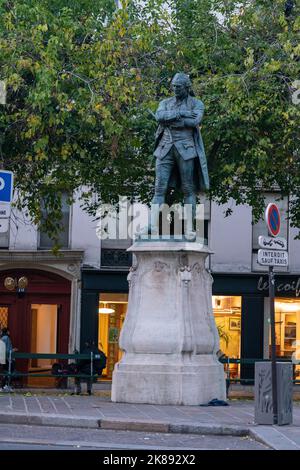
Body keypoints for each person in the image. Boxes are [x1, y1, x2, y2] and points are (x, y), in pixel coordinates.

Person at [142, 72, 209, 239]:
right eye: (173, 86)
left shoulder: (197, 103)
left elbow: (194, 122)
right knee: (159, 188)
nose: (175, 89)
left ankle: (189, 228)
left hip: (186, 150)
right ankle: (152, 226)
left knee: (188, 188)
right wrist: (182, 114)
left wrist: (171, 119)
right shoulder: (165, 102)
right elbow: (159, 117)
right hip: (165, 149)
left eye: (178, 87)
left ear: (187, 87)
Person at [1, 328, 18, 392]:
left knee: (6, 371)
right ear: (7, 331)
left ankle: (4, 386)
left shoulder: (3, 338)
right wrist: (13, 350)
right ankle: (5, 386)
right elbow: (6, 349)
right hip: (8, 358)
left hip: (4, 358)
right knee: (9, 371)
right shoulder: (6, 338)